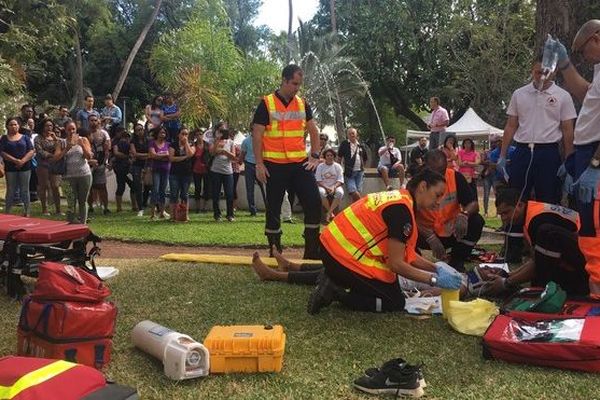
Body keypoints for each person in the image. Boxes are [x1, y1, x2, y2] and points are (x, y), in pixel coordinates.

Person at [307, 169, 463, 314]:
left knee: (389, 285)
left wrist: (435, 268)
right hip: (342, 257)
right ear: (423, 187)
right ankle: (335, 292)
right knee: (394, 302)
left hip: (333, 248)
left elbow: (408, 255)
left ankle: (335, 280)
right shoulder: (402, 211)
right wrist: (434, 280)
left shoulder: (400, 200)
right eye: (437, 195)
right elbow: (396, 264)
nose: (438, 202)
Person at [252, 64, 322, 258]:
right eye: (294, 84)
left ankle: (311, 250)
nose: (297, 88)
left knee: (314, 202)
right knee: (273, 207)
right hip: (273, 165)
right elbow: (257, 134)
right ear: (284, 80)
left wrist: (315, 157)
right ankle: (275, 249)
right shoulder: (266, 103)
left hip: (299, 164)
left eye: (299, 84)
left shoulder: (302, 103)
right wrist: (259, 164)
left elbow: (314, 132)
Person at [555, 20, 600, 298]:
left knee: (595, 223)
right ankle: (594, 282)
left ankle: (597, 286)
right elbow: (586, 94)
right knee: (587, 223)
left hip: (596, 154)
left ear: (596, 38)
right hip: (587, 152)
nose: (585, 57)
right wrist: (564, 64)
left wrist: (595, 165)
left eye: (584, 51)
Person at [498, 58, 576, 205]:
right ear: (532, 71)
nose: (542, 76)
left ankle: (545, 227)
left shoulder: (563, 96)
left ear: (554, 72)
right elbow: (511, 126)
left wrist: (568, 160)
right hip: (522, 150)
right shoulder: (519, 94)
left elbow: (568, 130)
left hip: (548, 152)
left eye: (546, 72)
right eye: (538, 72)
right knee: (516, 197)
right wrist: (502, 155)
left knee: (548, 197)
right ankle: (516, 227)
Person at [488, 188, 589, 296]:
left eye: (506, 212)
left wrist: (506, 282)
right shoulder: (533, 213)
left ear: (520, 205)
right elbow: (537, 259)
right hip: (582, 253)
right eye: (501, 214)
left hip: (588, 259)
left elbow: (538, 265)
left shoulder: (537, 220)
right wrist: (508, 275)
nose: (504, 218)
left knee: (546, 234)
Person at [415, 150, 485, 272]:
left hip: (452, 230)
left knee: (477, 221)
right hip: (425, 233)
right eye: (434, 172)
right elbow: (408, 215)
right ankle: (414, 261)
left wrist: (464, 214)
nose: (439, 177)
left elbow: (473, 203)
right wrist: (429, 236)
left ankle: (457, 260)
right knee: (404, 229)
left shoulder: (455, 177)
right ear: (425, 167)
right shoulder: (416, 182)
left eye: (441, 172)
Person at [54, 121, 93, 224]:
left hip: (84, 174)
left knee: (82, 201)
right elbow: (56, 158)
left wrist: (82, 145)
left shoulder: (83, 139)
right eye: (69, 129)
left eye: (73, 129)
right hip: (67, 176)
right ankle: (71, 222)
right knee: (71, 201)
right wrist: (66, 149)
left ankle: (83, 223)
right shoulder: (61, 142)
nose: (71, 131)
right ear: (65, 130)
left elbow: (89, 156)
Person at [1, 118, 35, 216]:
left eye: (15, 124)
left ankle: (27, 212)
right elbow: (2, 152)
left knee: (25, 189)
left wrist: (22, 161)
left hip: (25, 167)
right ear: (7, 126)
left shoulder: (25, 137)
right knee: (11, 189)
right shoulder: (4, 138)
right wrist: (15, 160)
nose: (13, 126)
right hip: (10, 168)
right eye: (11, 124)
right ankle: (7, 212)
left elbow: (31, 150)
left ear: (18, 126)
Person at [34, 119, 62, 215]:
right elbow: (40, 151)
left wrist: (55, 139)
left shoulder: (55, 137)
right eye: (47, 125)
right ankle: (44, 209)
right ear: (42, 127)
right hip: (43, 164)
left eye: (51, 125)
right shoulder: (38, 138)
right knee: (44, 186)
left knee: (55, 186)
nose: (49, 127)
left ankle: (58, 210)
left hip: (54, 165)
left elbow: (61, 146)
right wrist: (51, 156)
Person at [209, 127, 236, 222]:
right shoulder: (213, 141)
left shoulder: (230, 142)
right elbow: (212, 153)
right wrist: (217, 141)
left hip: (228, 172)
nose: (221, 133)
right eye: (220, 131)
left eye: (223, 131)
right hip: (215, 171)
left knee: (229, 194)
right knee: (216, 194)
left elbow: (234, 157)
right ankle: (217, 215)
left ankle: (230, 215)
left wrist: (224, 152)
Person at [87, 114, 111, 215]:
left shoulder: (104, 133)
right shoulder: (85, 133)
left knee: (102, 186)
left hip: (100, 163)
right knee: (89, 187)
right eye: (91, 120)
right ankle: (90, 206)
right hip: (88, 164)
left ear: (98, 121)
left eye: (95, 120)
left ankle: (105, 207)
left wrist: (105, 162)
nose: (93, 122)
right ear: (88, 121)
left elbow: (107, 149)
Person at [168, 127, 195, 221]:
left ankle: (184, 215)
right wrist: (184, 158)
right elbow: (171, 158)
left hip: (186, 173)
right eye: (182, 134)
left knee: (185, 194)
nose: (184, 136)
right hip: (174, 173)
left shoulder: (191, 144)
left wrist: (186, 143)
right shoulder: (173, 144)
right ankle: (172, 216)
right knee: (174, 194)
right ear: (178, 135)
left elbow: (191, 154)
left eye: (186, 134)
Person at [337, 127, 368, 202]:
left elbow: (365, 158)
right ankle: (363, 206)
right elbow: (339, 157)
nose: (352, 135)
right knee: (353, 191)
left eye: (353, 133)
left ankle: (355, 211)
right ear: (347, 135)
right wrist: (339, 170)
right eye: (350, 133)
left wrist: (363, 168)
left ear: (356, 134)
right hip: (349, 172)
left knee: (358, 191)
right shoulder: (344, 144)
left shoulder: (361, 145)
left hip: (360, 172)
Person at [240, 129, 266, 216]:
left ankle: (269, 208)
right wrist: (240, 162)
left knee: (265, 188)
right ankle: (252, 210)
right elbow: (243, 154)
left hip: (261, 165)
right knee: (250, 189)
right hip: (249, 165)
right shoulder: (246, 141)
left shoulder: (263, 139)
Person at [315, 149, 344, 222]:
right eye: (327, 155)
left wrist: (334, 187)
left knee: (340, 193)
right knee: (320, 193)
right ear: (325, 157)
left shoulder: (338, 166)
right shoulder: (320, 166)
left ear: (334, 156)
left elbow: (340, 180)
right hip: (323, 186)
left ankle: (329, 213)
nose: (329, 157)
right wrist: (326, 187)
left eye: (331, 155)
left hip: (335, 186)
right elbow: (318, 180)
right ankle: (330, 212)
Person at [111, 127, 134, 212]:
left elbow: (116, 153)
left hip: (120, 167)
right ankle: (133, 206)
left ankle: (119, 207)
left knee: (121, 186)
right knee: (132, 185)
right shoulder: (125, 144)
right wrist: (127, 156)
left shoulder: (116, 142)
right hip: (124, 167)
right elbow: (116, 153)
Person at [130, 123, 150, 217]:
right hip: (137, 165)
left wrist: (141, 155)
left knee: (149, 185)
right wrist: (146, 155)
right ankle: (140, 208)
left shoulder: (148, 140)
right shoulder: (133, 141)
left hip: (147, 165)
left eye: (141, 129)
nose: (140, 132)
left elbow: (151, 152)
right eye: (138, 130)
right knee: (138, 186)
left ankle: (148, 204)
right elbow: (134, 154)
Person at [191, 129, 211, 213]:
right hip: (196, 169)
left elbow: (211, 156)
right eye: (197, 134)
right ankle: (197, 207)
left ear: (203, 135)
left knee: (206, 188)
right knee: (197, 188)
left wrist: (207, 165)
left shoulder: (207, 145)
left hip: (206, 170)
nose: (199, 136)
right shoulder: (193, 145)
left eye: (200, 134)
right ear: (195, 136)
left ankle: (205, 207)